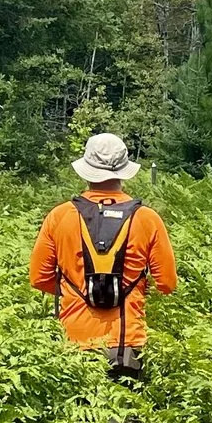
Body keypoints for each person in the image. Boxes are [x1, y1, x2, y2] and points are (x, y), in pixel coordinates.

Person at [30, 132, 177, 381]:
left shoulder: (60, 216)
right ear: (123, 171)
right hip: (126, 342)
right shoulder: (147, 218)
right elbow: (167, 284)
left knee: (80, 416)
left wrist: (75, 288)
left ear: (86, 171)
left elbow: (38, 278)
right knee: (123, 417)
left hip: (74, 340)